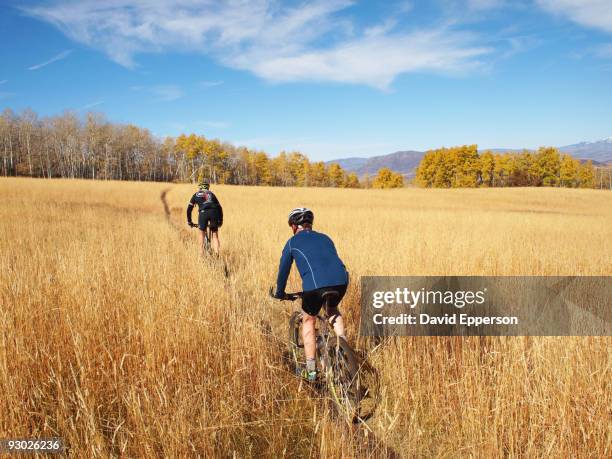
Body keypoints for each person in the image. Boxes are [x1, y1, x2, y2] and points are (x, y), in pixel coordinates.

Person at [273, 207, 349, 382]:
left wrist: (280, 292)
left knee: (308, 320)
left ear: (293, 226)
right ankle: (344, 350)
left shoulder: (292, 242)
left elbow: (283, 270)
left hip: (315, 286)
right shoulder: (325, 238)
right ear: (310, 224)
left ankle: (312, 371)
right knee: (332, 310)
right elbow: (330, 261)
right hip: (341, 280)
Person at [186, 179, 223, 256]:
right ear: (208, 188)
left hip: (203, 213)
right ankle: (217, 254)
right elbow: (220, 208)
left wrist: (189, 221)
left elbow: (189, 209)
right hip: (214, 212)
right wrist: (220, 221)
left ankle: (201, 255)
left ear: (200, 187)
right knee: (215, 235)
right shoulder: (212, 194)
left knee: (201, 234)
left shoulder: (195, 194)